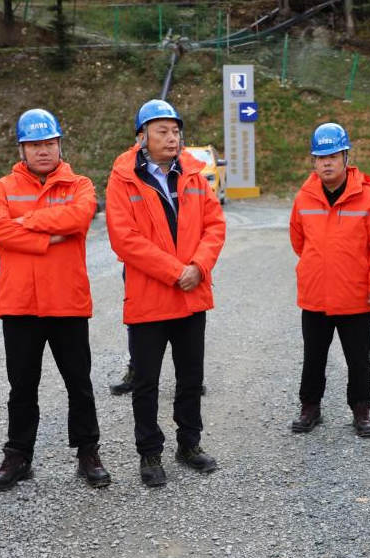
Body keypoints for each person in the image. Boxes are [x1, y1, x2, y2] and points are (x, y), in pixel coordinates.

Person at [0, 108, 105, 491]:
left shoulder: (80, 185)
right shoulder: (2, 188)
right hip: (20, 304)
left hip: (67, 301)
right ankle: (17, 456)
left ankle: (88, 452)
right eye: (35, 144)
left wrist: (27, 222)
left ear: (60, 144)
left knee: (79, 384)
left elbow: (79, 218)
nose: (43, 150)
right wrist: (49, 236)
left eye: (49, 143)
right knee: (21, 387)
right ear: (22, 149)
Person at [105, 99, 226, 487]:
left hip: (191, 296)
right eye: (162, 131)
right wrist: (177, 273)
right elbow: (125, 239)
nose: (172, 138)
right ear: (142, 137)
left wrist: (199, 267)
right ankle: (150, 454)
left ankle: (189, 444)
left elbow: (214, 226)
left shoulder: (193, 175)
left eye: (175, 131)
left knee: (191, 378)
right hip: (150, 298)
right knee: (146, 383)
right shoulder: (124, 179)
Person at [289, 122, 370, 437]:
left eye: (333, 156)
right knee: (313, 356)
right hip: (315, 294)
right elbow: (298, 241)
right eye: (321, 157)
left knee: (358, 359)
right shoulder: (304, 198)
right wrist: (319, 265)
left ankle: (361, 410)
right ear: (313, 161)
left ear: (346, 157)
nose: (327, 163)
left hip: (354, 295)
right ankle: (310, 407)